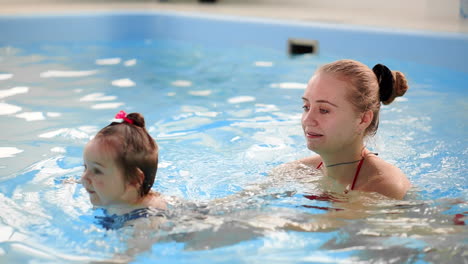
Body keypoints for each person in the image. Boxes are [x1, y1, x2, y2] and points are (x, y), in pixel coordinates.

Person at [294, 59, 411, 200]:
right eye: (306, 107)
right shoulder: (301, 170)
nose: (307, 120)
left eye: (324, 110)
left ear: (363, 119)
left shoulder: (383, 186)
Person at [81, 110, 167, 230]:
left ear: (133, 180)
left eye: (97, 171)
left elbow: (139, 249)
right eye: (85, 167)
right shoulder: (119, 194)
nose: (83, 178)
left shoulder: (144, 222)